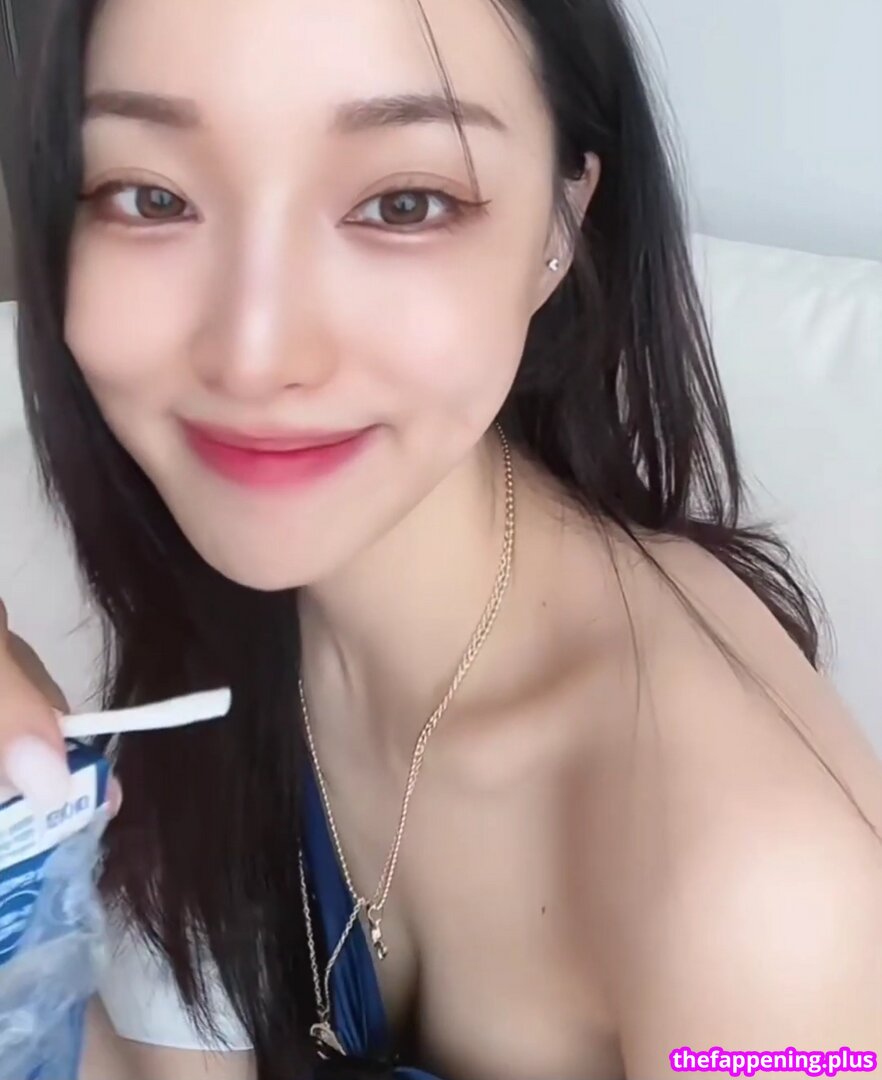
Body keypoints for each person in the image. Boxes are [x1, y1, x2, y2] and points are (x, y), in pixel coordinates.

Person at [2, 0, 881, 1077]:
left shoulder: (762, 903)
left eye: (403, 203)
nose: (254, 355)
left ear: (562, 224)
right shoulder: (243, 578)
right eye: (152, 197)